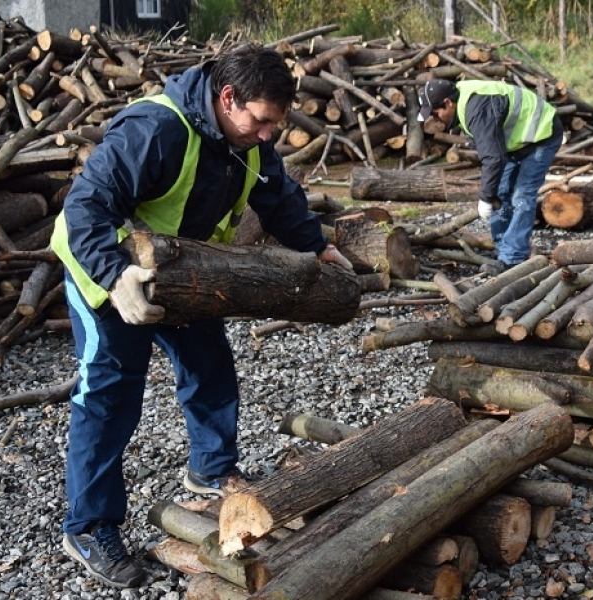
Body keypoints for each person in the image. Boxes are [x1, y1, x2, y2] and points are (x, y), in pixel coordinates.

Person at [49, 44, 351, 589]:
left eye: (275, 126)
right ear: (228, 98)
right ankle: (89, 527)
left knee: (209, 366)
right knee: (110, 393)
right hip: (109, 270)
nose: (266, 135)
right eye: (260, 121)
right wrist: (116, 276)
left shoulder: (251, 141)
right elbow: (85, 209)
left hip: (182, 271)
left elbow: (278, 196)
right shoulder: (154, 130)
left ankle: (211, 469)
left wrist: (318, 247)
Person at [417, 78, 562, 275]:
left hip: (542, 134)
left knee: (522, 195)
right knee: (500, 192)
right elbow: (492, 153)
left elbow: (493, 159)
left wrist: (484, 197)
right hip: (514, 143)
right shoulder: (462, 103)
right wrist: (490, 194)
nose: (436, 119)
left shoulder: (478, 108)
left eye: (436, 113)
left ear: (448, 103)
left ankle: (513, 259)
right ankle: (504, 251)